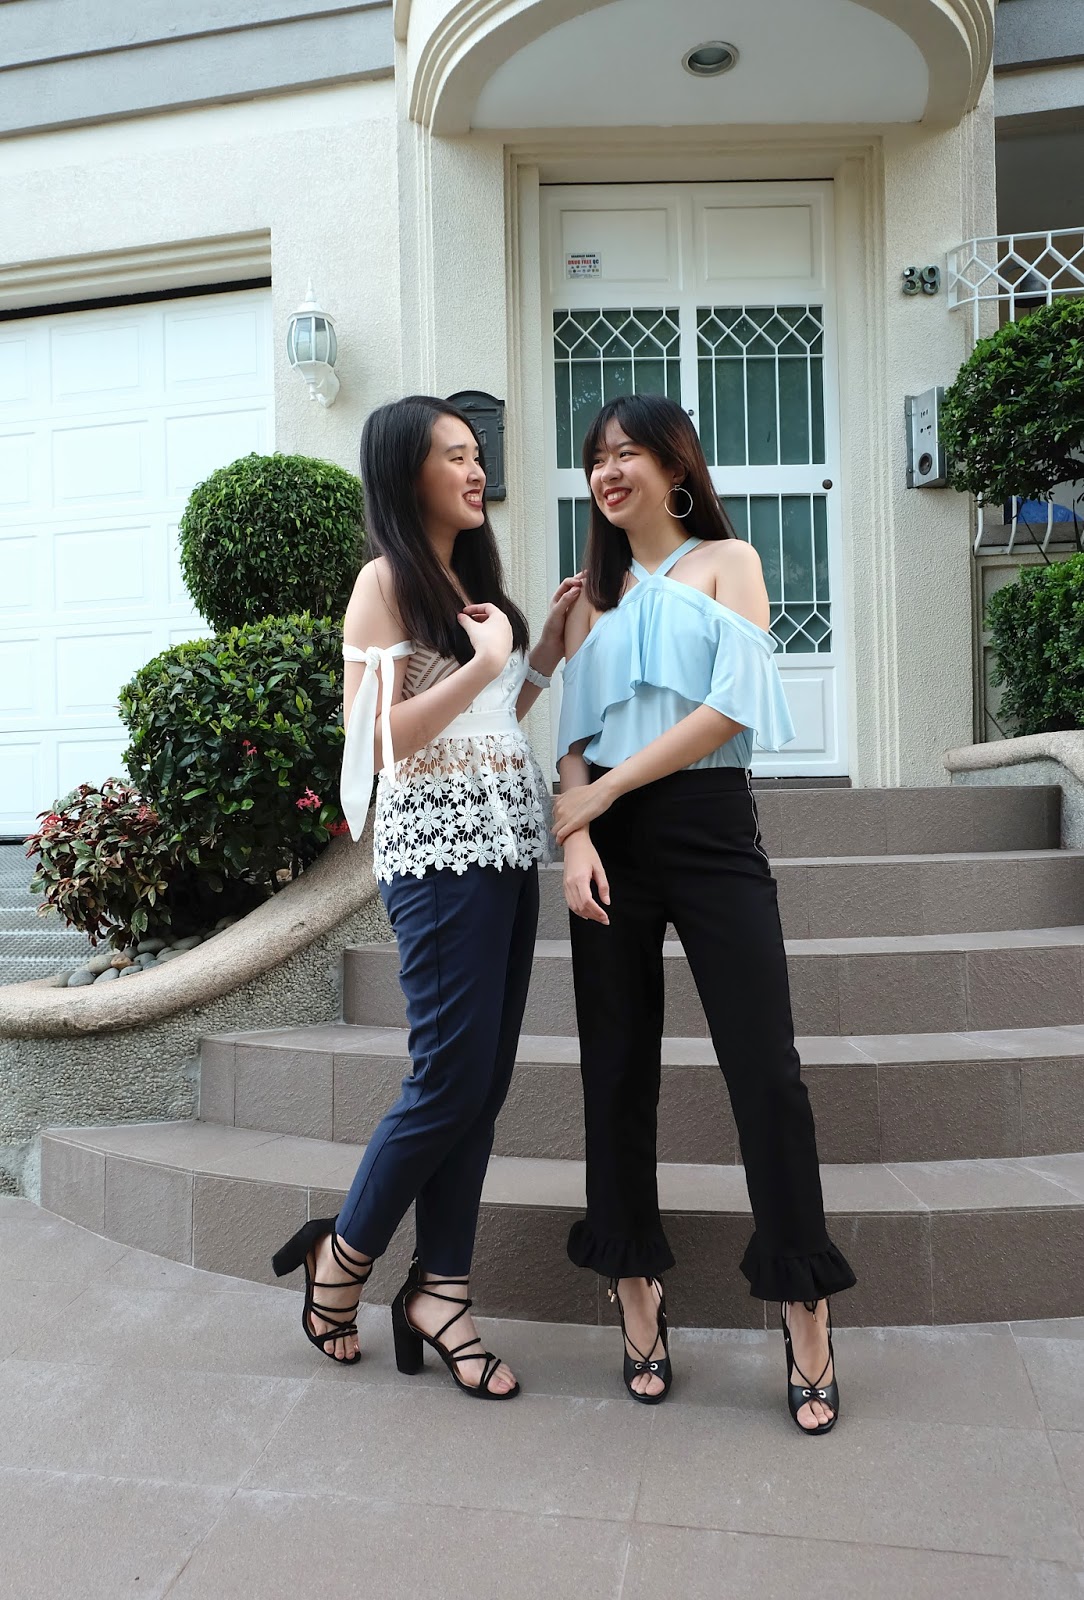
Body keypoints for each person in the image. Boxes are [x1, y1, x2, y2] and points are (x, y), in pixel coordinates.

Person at [553, 392, 855, 1433]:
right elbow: (569, 739)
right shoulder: (587, 601)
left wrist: (603, 790)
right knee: (615, 1068)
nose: (607, 470)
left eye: (626, 451)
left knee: (765, 1067)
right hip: (608, 846)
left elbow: (730, 706)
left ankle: (804, 1302)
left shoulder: (731, 562)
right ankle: (635, 1287)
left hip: (710, 828)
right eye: (595, 458)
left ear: (674, 465)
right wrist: (578, 834)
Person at [273, 394, 581, 1399]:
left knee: (481, 1083)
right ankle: (343, 1256)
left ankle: (442, 1289)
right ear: (407, 474)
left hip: (505, 843)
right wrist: (486, 659)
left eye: (475, 452)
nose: (475, 468)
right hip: (437, 856)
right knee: (448, 1075)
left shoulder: (470, 581)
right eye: (453, 454)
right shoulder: (384, 583)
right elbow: (377, 741)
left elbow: (489, 717)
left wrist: (537, 657)